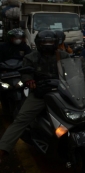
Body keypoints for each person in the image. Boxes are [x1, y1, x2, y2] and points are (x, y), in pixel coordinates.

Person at [0, 31, 75, 163]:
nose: (47, 45)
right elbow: (25, 72)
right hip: (40, 94)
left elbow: (73, 71)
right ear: (38, 44)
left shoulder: (63, 55)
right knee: (22, 119)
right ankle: (3, 148)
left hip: (62, 93)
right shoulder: (31, 57)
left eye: (50, 43)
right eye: (44, 43)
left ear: (56, 43)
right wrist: (29, 80)